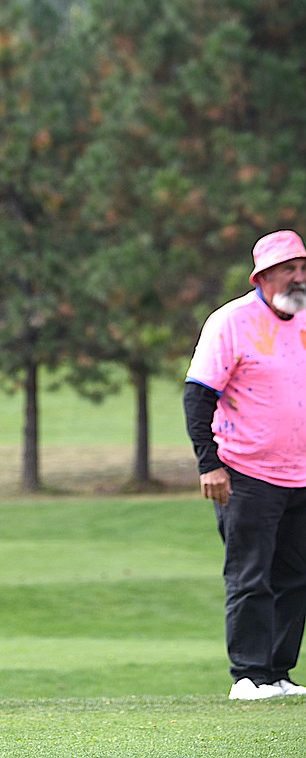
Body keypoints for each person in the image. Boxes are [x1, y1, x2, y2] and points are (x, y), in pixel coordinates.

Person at [183, 228, 306, 701]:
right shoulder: (230, 322)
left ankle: (277, 673)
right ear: (264, 276)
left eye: (302, 269)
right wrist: (208, 465)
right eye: (287, 270)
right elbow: (198, 396)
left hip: (299, 473)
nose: (298, 278)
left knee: (294, 577)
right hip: (246, 473)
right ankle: (249, 677)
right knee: (250, 575)